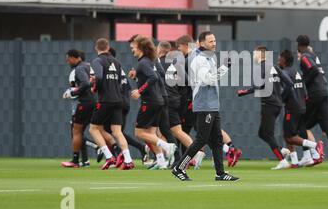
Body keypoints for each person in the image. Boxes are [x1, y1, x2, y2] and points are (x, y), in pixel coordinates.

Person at [172, 31, 239, 181]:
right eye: (210, 41)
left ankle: (220, 173)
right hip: (204, 104)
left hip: (212, 104)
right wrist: (225, 67)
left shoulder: (208, 57)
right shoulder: (198, 59)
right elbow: (208, 79)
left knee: (217, 140)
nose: (214, 43)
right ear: (201, 43)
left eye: (214, 41)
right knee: (201, 139)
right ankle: (179, 167)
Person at [296, 35, 328, 168]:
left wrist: (303, 83)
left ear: (299, 45)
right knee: (327, 124)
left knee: (300, 122)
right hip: (323, 92)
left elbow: (312, 70)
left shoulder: (305, 57)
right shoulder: (313, 56)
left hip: (314, 93)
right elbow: (320, 73)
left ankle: (307, 156)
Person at [237, 46, 291, 168]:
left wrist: (244, 92)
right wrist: (280, 98)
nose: (253, 56)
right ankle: (281, 150)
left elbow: (258, 86)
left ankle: (282, 161)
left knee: (268, 133)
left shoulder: (261, 67)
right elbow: (289, 83)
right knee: (262, 133)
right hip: (276, 105)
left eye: (255, 54)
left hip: (269, 104)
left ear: (262, 54)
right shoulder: (274, 67)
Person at [129, 36, 177, 170]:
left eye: (134, 47)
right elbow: (160, 74)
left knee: (139, 133)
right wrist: (138, 75)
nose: (132, 50)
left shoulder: (143, 63)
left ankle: (167, 147)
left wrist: (140, 90)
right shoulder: (152, 61)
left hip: (150, 101)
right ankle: (161, 161)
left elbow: (153, 77)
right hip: (159, 99)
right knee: (150, 134)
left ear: (141, 48)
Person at [273, 50, 324, 169]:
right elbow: (305, 92)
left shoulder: (284, 73)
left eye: (279, 58)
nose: (277, 60)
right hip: (302, 106)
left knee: (289, 136)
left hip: (292, 108)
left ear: (284, 60)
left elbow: (287, 89)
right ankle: (299, 160)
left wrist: (280, 100)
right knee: (301, 133)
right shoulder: (297, 72)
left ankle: (315, 146)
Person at [89, 38, 135, 170]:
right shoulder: (116, 62)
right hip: (118, 100)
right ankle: (128, 160)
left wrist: (93, 85)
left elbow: (98, 76)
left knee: (93, 128)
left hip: (105, 100)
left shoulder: (97, 61)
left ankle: (109, 156)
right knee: (117, 131)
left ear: (96, 48)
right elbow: (121, 81)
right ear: (108, 48)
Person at [61, 49, 97, 168]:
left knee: (76, 131)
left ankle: (75, 160)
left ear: (75, 58)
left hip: (84, 102)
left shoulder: (79, 69)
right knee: (95, 129)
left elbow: (85, 84)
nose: (68, 62)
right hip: (92, 101)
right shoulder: (88, 66)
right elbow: (91, 82)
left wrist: (73, 92)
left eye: (69, 59)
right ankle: (104, 151)